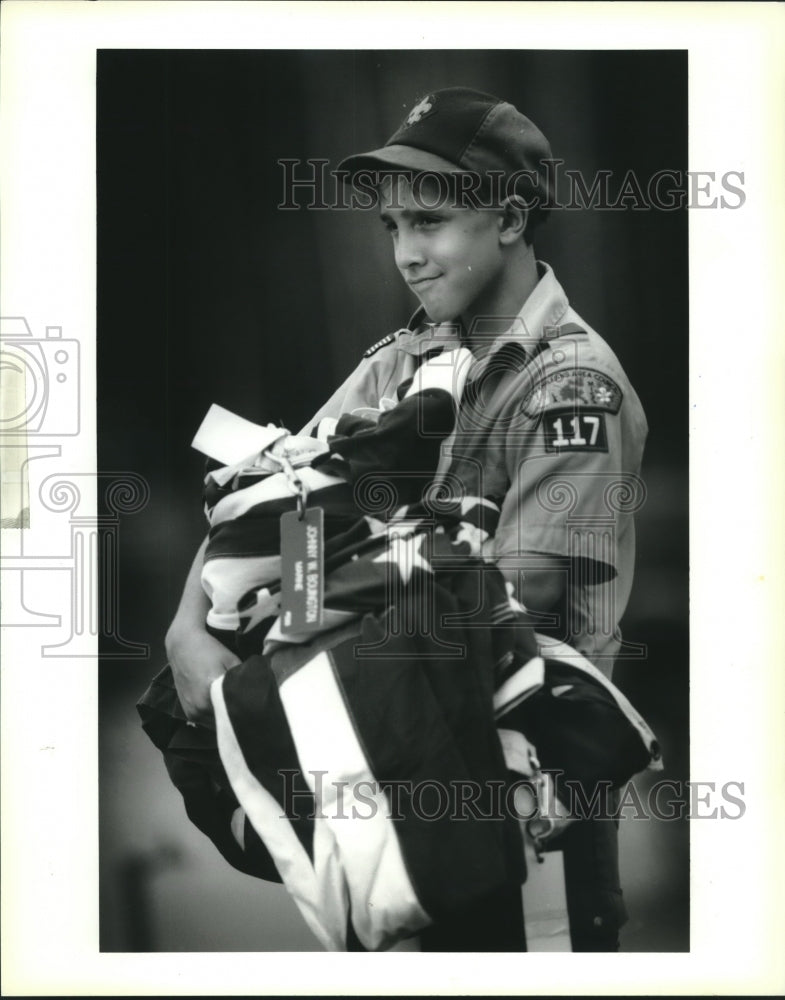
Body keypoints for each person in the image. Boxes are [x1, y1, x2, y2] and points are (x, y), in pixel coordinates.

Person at [164, 86, 649, 951]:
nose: (405, 255)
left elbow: (521, 594)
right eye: (391, 228)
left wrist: (311, 606)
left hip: (526, 806)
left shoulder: (572, 388)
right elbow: (277, 497)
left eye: (428, 222)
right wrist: (186, 628)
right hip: (385, 781)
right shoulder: (403, 363)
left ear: (506, 219)